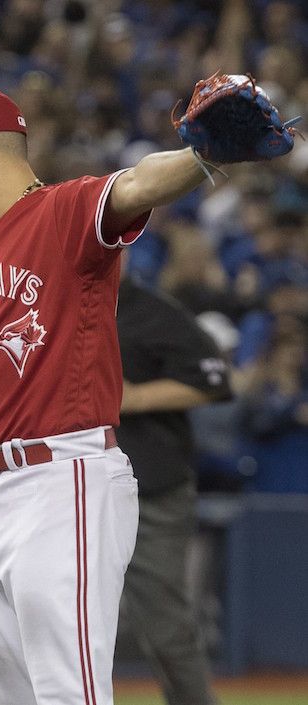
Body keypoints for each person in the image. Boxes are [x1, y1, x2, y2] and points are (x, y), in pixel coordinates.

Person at [0, 85, 284, 705]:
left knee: (71, 696)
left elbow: (139, 185)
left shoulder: (64, 212)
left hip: (66, 478)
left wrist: (203, 158)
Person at [116, 270, 231, 705]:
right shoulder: (53, 302)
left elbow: (215, 379)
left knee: (164, 630)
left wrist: (139, 397)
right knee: (55, 620)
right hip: (70, 488)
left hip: (153, 489)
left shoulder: (152, 311)